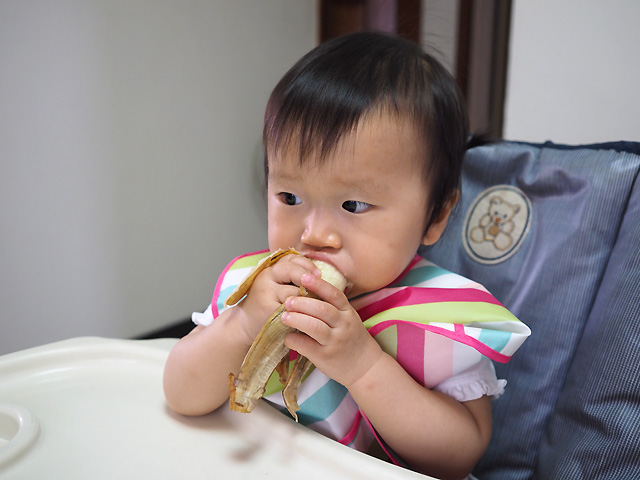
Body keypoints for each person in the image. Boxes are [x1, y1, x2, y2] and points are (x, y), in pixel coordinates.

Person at [163, 31, 529, 479]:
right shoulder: (254, 289)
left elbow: (457, 457)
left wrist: (363, 366)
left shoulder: (438, 317)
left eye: (353, 205)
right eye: (290, 197)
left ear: (436, 216)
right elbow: (180, 394)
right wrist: (241, 325)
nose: (314, 235)